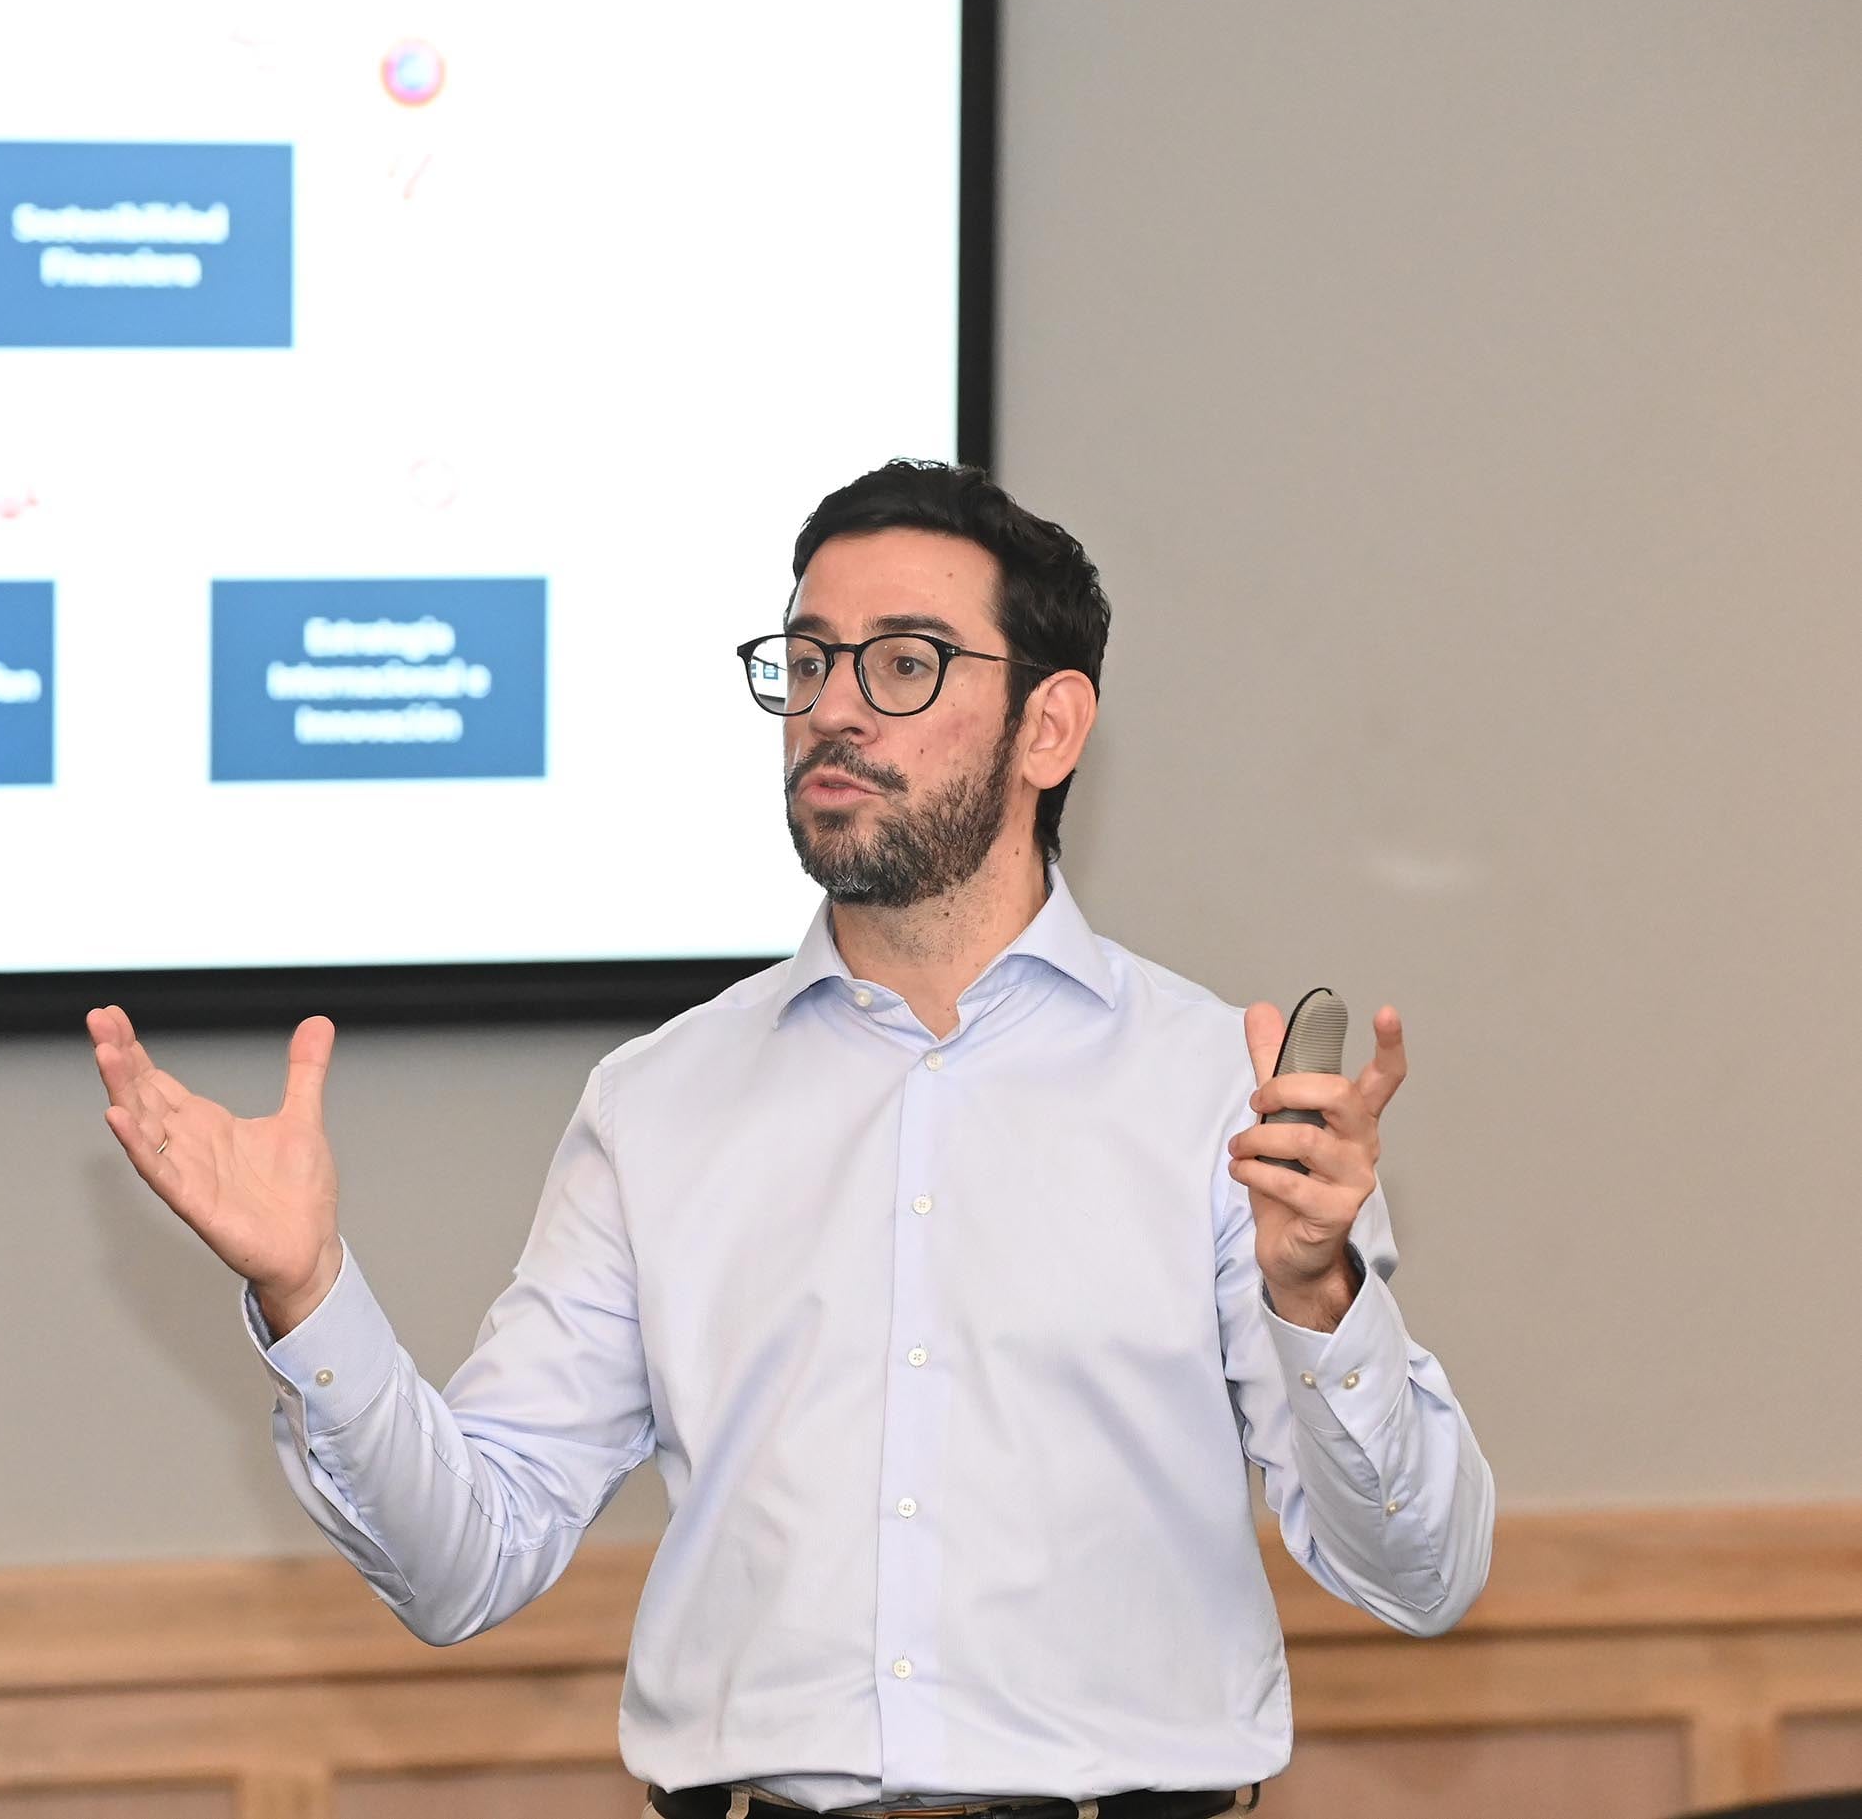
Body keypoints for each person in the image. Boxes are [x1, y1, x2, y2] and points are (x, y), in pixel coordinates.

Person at [85, 460, 1494, 1819]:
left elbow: (1419, 1574)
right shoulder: (659, 1099)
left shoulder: (1212, 1091)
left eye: (903, 663)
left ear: (1050, 728)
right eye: (808, 660)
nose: (833, 710)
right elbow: (467, 1558)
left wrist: (1318, 1297)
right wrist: (308, 1291)